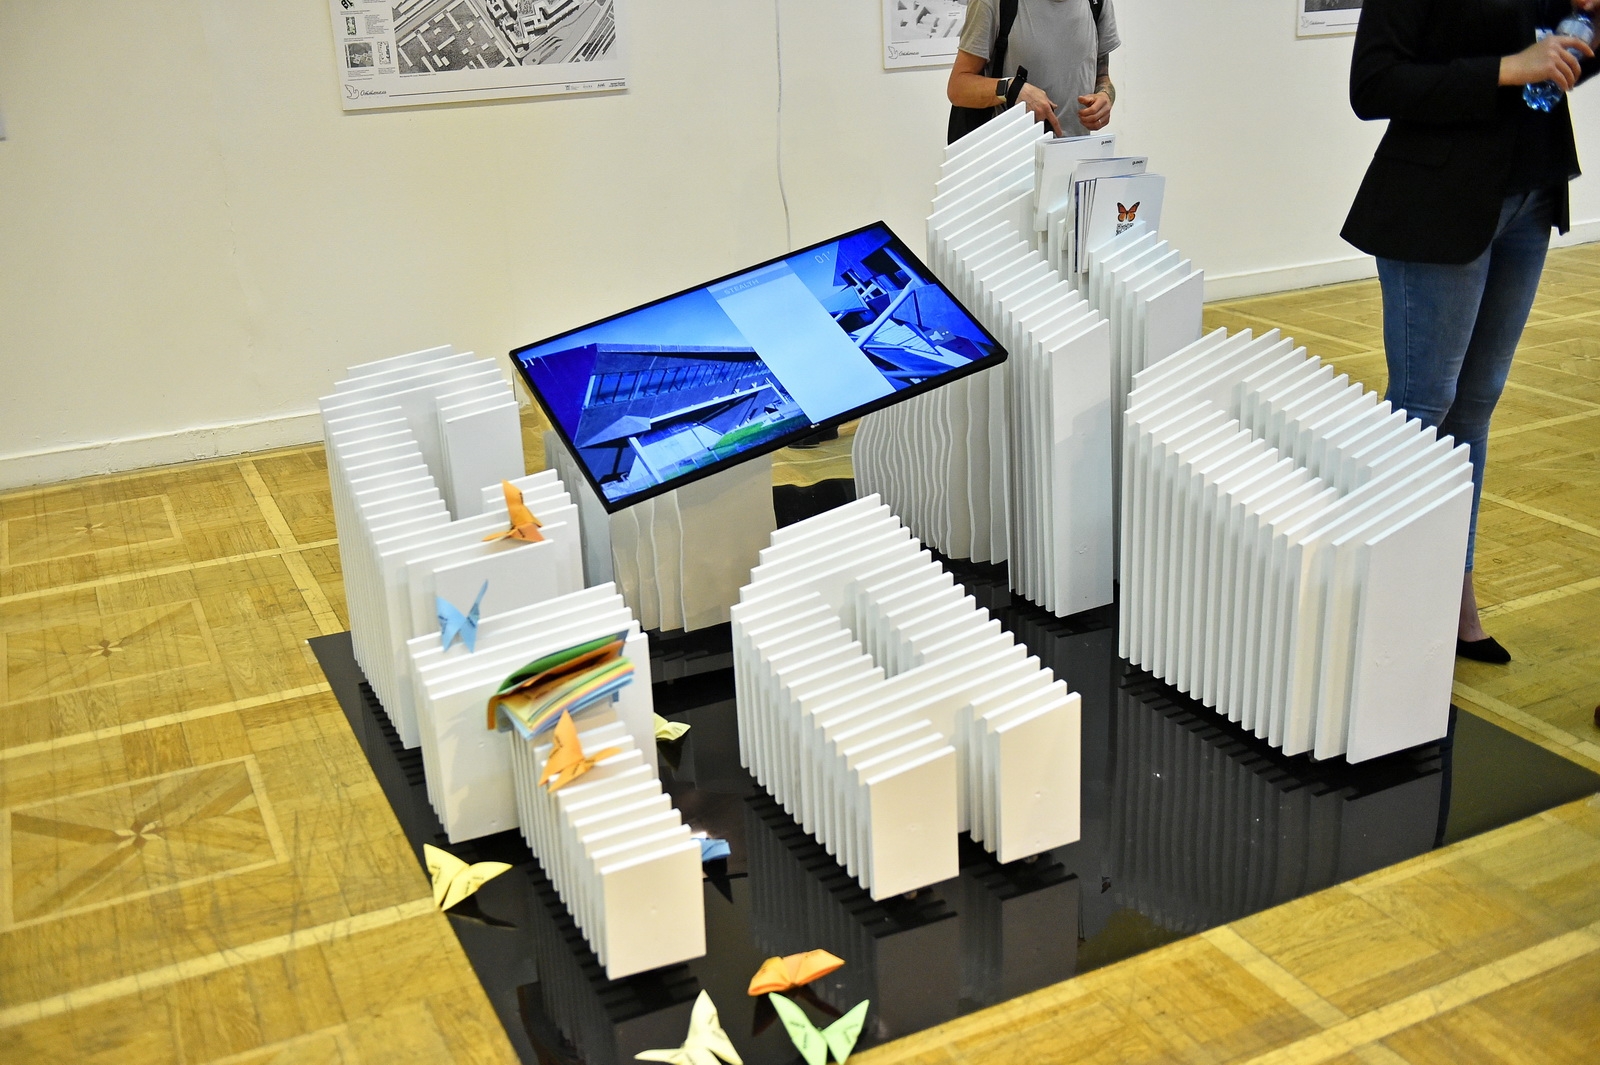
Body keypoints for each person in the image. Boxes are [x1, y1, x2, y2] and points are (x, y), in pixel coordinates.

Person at [1341, 0, 1598, 664]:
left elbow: (1564, 62)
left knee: (1476, 404)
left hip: (1532, 192)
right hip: (1436, 199)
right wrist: (1508, 69)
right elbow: (1373, 84)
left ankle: (1454, 595)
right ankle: (1380, 601)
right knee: (1422, 408)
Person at [947, 0, 1120, 138]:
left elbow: (1102, 77)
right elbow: (958, 88)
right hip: (1011, 158)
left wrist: (1105, 97)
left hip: (1076, 155)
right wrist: (1011, 89)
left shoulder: (1097, 3)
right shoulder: (993, 2)